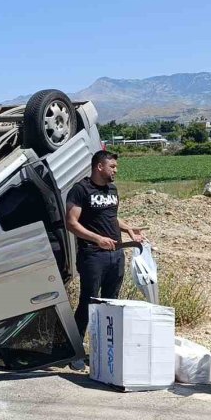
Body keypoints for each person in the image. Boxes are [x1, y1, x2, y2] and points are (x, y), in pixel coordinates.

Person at [65, 151, 144, 370]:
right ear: (99, 167)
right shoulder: (80, 190)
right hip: (92, 255)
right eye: (112, 167)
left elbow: (110, 216)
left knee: (111, 303)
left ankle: (102, 350)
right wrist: (97, 239)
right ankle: (74, 351)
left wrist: (128, 229)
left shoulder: (112, 190)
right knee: (88, 302)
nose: (116, 170)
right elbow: (71, 223)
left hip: (116, 255)